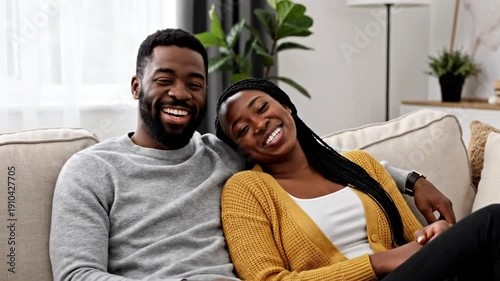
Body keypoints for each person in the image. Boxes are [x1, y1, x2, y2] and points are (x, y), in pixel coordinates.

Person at [49, 28, 454, 281]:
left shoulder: (223, 154)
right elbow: (77, 273)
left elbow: (318, 159)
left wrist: (412, 180)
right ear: (137, 86)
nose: (180, 93)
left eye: (194, 82)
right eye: (164, 79)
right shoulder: (91, 169)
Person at [214, 77, 500, 281]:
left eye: (262, 108)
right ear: (241, 150)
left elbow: (411, 239)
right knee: (491, 222)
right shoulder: (245, 191)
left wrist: (431, 236)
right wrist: (381, 262)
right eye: (242, 129)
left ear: (286, 106)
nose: (260, 124)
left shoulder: (359, 165)